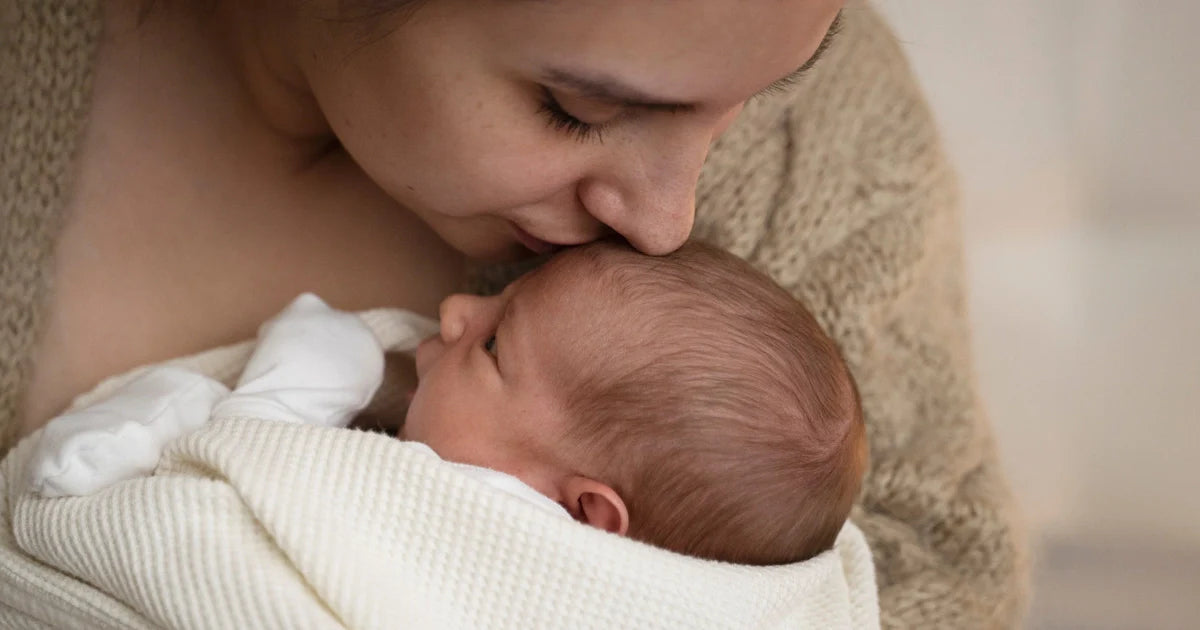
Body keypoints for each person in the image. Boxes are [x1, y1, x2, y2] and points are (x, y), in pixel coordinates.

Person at [1, 0, 1027, 626]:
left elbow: (948, 574)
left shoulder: (833, 139)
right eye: (578, 108)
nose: (670, 222)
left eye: (759, 96)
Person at [31, 240, 867, 567]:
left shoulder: (495, 540)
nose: (461, 310)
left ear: (585, 513)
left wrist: (309, 381)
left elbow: (249, 505)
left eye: (495, 345)